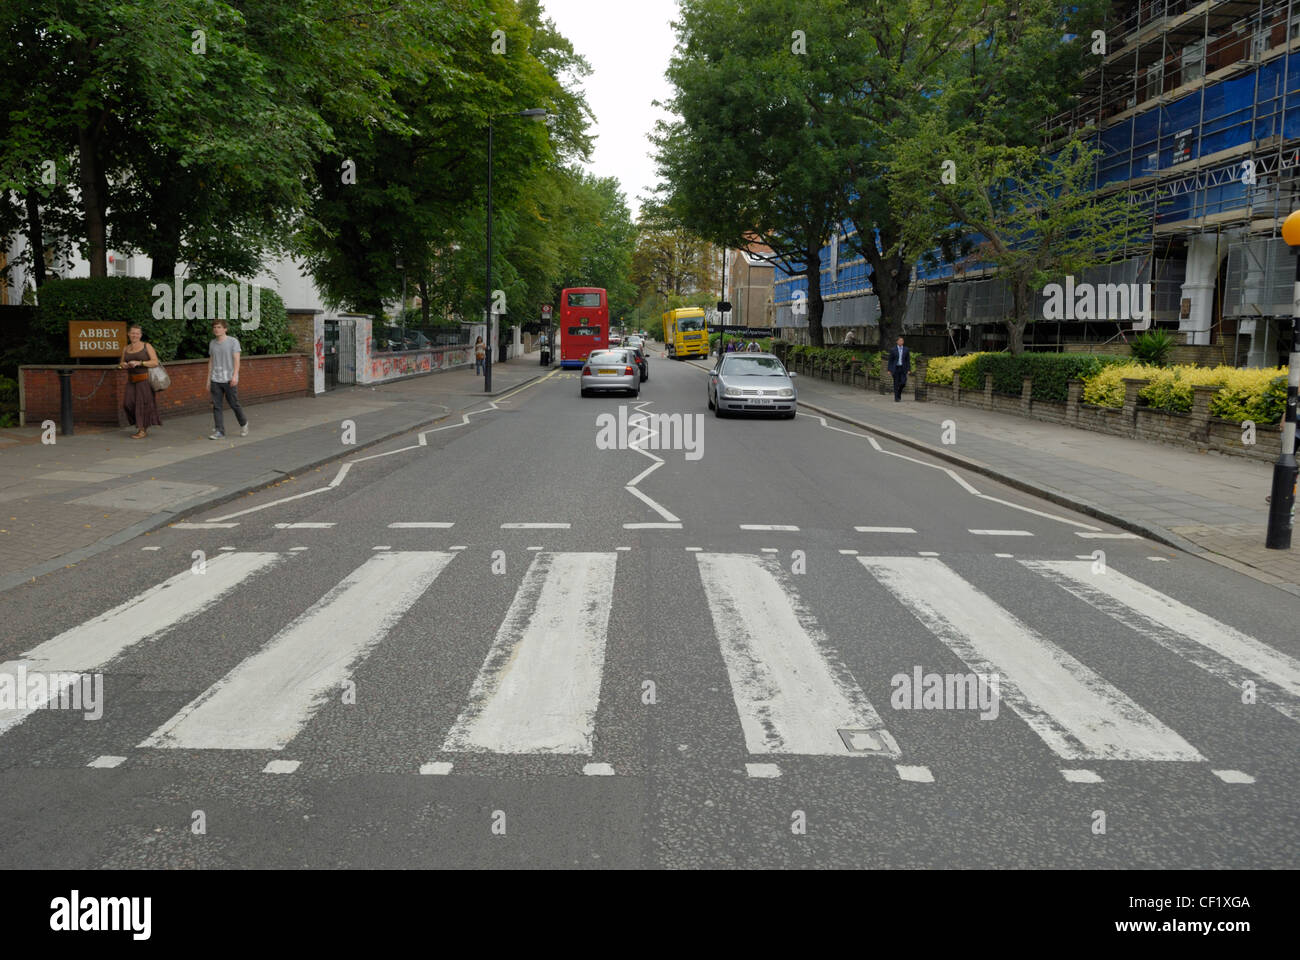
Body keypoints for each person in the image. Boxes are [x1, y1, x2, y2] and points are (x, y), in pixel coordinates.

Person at [119, 324, 161, 440]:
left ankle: (142, 429)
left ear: (140, 335)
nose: (134, 335)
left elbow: (155, 362)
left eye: (137, 333)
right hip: (131, 380)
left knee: (141, 405)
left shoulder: (146, 346)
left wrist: (140, 363)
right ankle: (139, 422)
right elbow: (121, 363)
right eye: (132, 333)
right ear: (128, 334)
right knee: (127, 403)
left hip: (144, 380)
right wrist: (123, 365)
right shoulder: (125, 348)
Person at [208, 319, 248, 439]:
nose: (216, 329)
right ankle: (220, 431)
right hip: (216, 379)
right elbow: (211, 361)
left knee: (234, 404)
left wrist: (235, 375)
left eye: (219, 327)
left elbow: (237, 360)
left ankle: (244, 423)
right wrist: (208, 379)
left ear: (225, 329)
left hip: (229, 379)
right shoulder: (212, 343)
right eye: (215, 327)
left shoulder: (233, 342)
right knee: (216, 406)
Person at [887, 335, 911, 402]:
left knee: (903, 382)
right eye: (900, 340)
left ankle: (899, 393)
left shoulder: (906, 349)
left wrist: (908, 369)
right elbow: (890, 360)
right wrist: (889, 369)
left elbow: (907, 360)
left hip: (903, 368)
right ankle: (896, 398)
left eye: (902, 341)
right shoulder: (893, 350)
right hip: (896, 368)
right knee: (896, 383)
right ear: (897, 342)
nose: (901, 342)